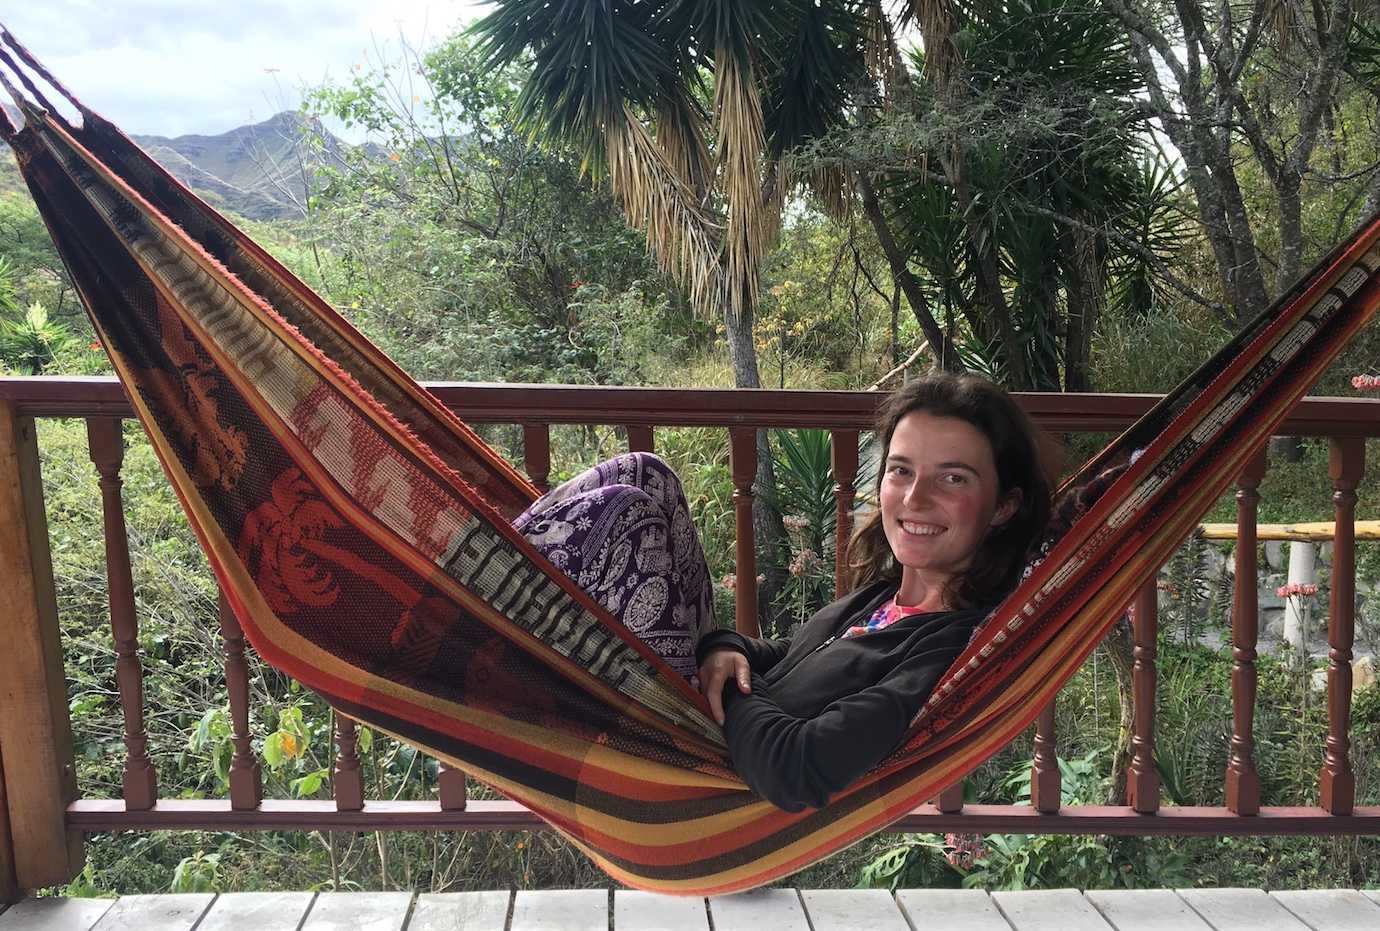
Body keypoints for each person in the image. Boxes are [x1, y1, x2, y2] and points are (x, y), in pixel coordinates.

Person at [514, 372, 1051, 812]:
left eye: (952, 478)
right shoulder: (881, 599)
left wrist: (724, 687)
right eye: (900, 470)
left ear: (1004, 505)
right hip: (707, 706)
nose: (914, 497)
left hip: (692, 754)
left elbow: (796, 767)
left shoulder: (946, 648)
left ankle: (488, 607)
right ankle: (484, 594)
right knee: (645, 473)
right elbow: (783, 658)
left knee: (623, 512)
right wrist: (725, 649)